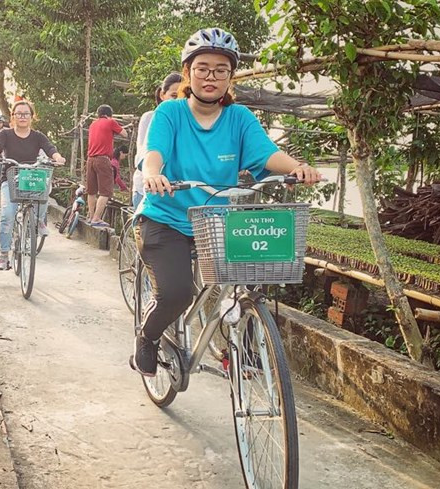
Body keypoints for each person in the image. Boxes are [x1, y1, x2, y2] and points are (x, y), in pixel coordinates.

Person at [130, 28, 322, 376]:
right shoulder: (170, 113)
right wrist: (153, 175)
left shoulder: (240, 118)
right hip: (165, 217)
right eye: (202, 68)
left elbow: (267, 154)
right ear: (188, 72)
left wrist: (297, 167)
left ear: (230, 76)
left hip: (215, 223)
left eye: (221, 70)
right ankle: (148, 336)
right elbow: (155, 151)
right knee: (176, 294)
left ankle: (241, 349)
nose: (211, 77)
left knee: (250, 278)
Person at [0, 100, 66, 270]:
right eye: (19, 113)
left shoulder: (38, 136)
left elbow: (50, 148)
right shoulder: (5, 134)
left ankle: (39, 221)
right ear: (13, 116)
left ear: (32, 116)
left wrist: (57, 157)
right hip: (10, 178)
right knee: (7, 215)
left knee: (45, 190)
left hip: (32, 177)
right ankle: (4, 254)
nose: (22, 117)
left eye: (26, 114)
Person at [132, 72, 182, 209]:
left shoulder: (187, 122)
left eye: (183, 96)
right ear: (162, 95)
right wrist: (152, 174)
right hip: (147, 190)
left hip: (177, 192)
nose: (178, 101)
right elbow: (143, 155)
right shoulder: (151, 117)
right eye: (174, 96)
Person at [86, 104, 127, 227]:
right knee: (105, 192)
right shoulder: (110, 122)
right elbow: (125, 134)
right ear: (109, 115)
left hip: (90, 159)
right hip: (103, 159)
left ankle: (91, 216)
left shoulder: (93, 124)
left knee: (91, 191)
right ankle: (97, 218)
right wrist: (117, 127)